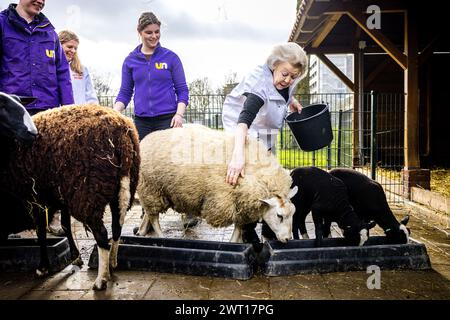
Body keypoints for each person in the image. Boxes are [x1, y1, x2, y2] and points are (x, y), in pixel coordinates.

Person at [113, 12, 199, 230]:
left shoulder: (171, 58)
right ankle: (149, 216)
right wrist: (115, 113)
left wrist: (179, 114)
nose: (153, 37)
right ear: (140, 33)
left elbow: (182, 90)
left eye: (157, 32)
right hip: (142, 122)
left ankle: (188, 211)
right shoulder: (130, 61)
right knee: (145, 169)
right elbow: (125, 92)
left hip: (168, 120)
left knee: (177, 166)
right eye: (148, 33)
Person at [222, 42, 308, 243]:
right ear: (274, 65)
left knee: (269, 176)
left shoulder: (288, 77)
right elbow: (244, 119)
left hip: (266, 127)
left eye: (293, 76)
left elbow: (284, 90)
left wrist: (291, 101)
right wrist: (238, 155)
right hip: (245, 125)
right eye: (284, 74)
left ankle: (270, 226)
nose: (288, 79)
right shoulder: (259, 84)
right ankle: (247, 228)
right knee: (251, 181)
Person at [0, 0, 74, 116]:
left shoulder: (51, 34)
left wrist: (70, 110)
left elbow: (63, 74)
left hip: (48, 113)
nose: (40, 1)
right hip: (12, 113)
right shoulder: (2, 24)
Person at [58, 30, 99, 104]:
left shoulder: (82, 69)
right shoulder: (50, 69)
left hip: (80, 113)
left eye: (75, 48)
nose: (73, 51)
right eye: (69, 47)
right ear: (58, 46)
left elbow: (90, 96)